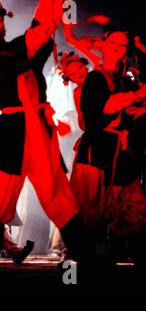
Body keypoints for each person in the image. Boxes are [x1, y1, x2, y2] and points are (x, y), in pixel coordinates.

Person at [0, 0, 93, 270]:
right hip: (12, 127)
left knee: (57, 193)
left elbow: (36, 43)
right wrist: (47, 13)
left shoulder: (15, 49)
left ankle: (86, 255)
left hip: (37, 125)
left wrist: (50, 11)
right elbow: (28, 47)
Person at [70, 26, 146, 270]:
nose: (117, 48)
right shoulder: (95, 78)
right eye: (113, 43)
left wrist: (139, 107)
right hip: (97, 153)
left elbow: (132, 109)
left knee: (135, 206)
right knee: (91, 212)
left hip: (121, 151)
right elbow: (101, 111)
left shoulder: (125, 79)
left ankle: (134, 251)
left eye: (123, 45)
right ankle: (82, 262)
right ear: (103, 45)